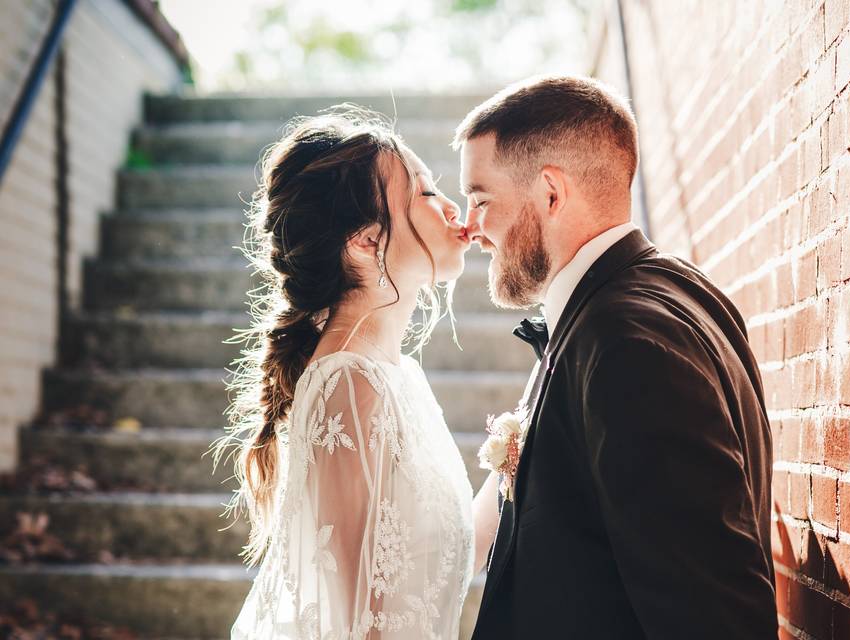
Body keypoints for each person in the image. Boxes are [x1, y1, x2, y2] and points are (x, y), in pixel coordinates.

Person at [458, 76, 780, 639]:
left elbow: (713, 615)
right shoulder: (680, 292)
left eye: (481, 199)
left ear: (550, 193)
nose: (471, 227)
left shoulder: (624, 344)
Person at [220, 108, 480, 639]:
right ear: (366, 242)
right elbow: (363, 622)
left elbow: (433, 563)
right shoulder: (348, 385)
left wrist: (515, 456)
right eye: (426, 194)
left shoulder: (396, 375)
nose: (452, 206)